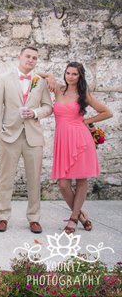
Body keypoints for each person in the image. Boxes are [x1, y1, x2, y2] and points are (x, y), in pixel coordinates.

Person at [41, 62, 112, 233]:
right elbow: (37, 75)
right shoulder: (58, 88)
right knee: (63, 184)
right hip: (63, 141)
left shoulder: (83, 94)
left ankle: (73, 219)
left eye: (74, 74)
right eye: (68, 73)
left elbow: (107, 112)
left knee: (81, 180)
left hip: (80, 140)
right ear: (64, 74)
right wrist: (49, 76)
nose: (70, 76)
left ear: (80, 76)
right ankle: (80, 214)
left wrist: (86, 121)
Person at [0, 46, 53, 234]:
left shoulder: (40, 82)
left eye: (34, 58)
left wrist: (35, 113)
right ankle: (2, 216)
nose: (31, 60)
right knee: (6, 179)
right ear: (20, 57)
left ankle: (34, 218)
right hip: (9, 136)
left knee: (34, 179)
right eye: (28, 56)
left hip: (33, 137)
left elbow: (48, 107)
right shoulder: (4, 79)